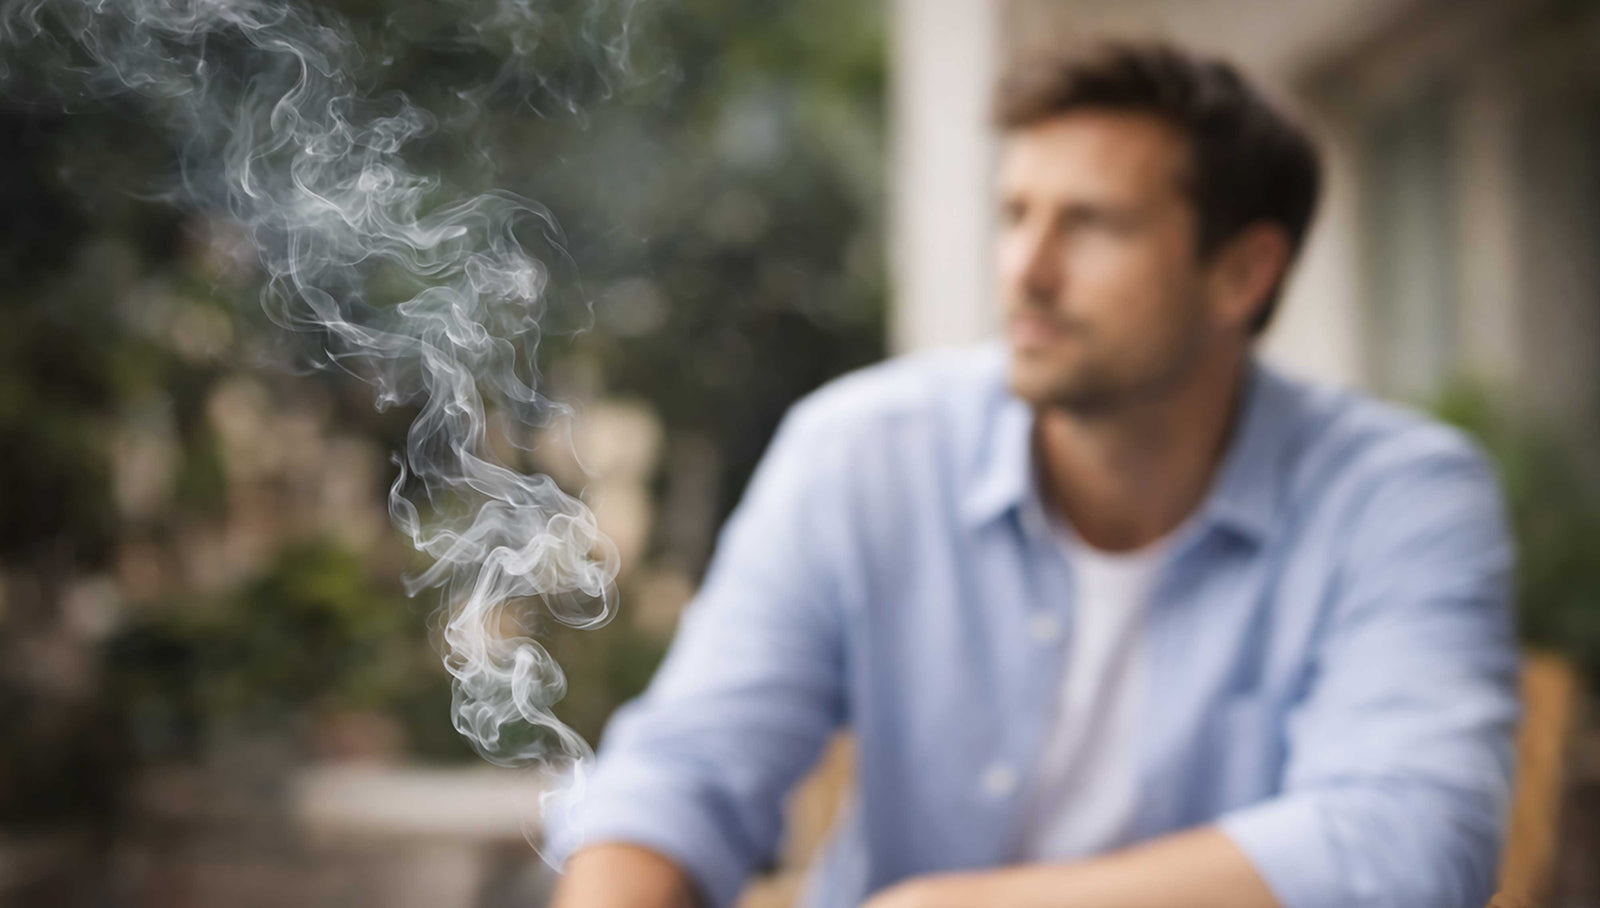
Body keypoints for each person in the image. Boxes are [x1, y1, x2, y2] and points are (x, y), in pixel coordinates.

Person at [548, 41, 1519, 908]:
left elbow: (1405, 842)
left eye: (1092, 224)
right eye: (1015, 214)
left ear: (1242, 273)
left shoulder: (1399, 495)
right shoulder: (861, 451)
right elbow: (684, 770)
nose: (1026, 267)